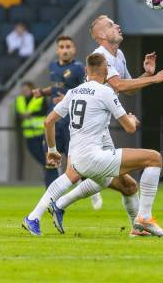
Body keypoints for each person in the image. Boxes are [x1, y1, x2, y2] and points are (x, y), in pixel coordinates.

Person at [43, 16, 163, 227]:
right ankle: (46, 208)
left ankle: (60, 205)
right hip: (90, 127)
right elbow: (119, 86)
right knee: (94, 173)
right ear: (102, 35)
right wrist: (154, 78)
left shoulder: (119, 55)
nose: (118, 26)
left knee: (126, 185)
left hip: (101, 125)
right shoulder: (99, 55)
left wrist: (147, 74)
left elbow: (128, 88)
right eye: (112, 25)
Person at [22, 53, 163, 237]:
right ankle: (144, 218)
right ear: (107, 71)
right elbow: (130, 128)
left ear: (85, 71)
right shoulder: (105, 92)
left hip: (77, 159)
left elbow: (48, 122)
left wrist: (52, 150)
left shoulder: (73, 92)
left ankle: (38, 215)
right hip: (94, 157)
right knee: (154, 158)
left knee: (128, 186)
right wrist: (132, 118)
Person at [31, 36, 104, 207]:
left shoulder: (79, 69)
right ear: (57, 50)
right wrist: (42, 92)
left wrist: (69, 98)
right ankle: (50, 200)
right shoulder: (53, 66)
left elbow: (87, 90)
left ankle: (94, 191)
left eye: (68, 47)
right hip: (55, 120)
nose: (65, 50)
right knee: (50, 160)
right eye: (61, 47)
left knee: (79, 163)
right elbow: (57, 87)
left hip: (73, 123)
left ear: (74, 49)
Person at [16, 82, 57, 187]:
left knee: (44, 155)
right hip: (29, 133)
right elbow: (17, 114)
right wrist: (22, 116)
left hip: (41, 132)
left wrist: (31, 114)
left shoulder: (40, 98)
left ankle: (51, 173)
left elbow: (45, 111)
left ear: (31, 89)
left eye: (26, 89)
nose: (24, 91)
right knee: (37, 155)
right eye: (23, 89)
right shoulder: (19, 100)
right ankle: (51, 171)